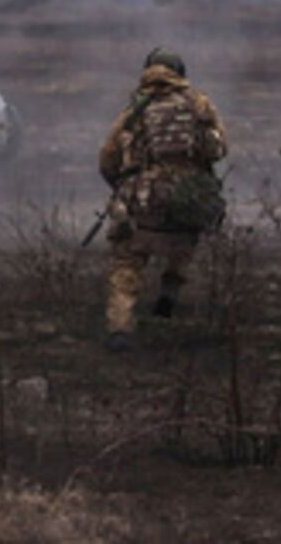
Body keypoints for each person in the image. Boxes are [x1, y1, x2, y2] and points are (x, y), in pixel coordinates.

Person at [98, 47, 227, 352]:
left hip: (142, 199)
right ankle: (167, 299)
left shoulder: (134, 110)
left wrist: (120, 184)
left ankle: (120, 329)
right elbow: (218, 149)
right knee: (182, 246)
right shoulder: (199, 104)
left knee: (127, 263)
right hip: (188, 196)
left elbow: (108, 158)